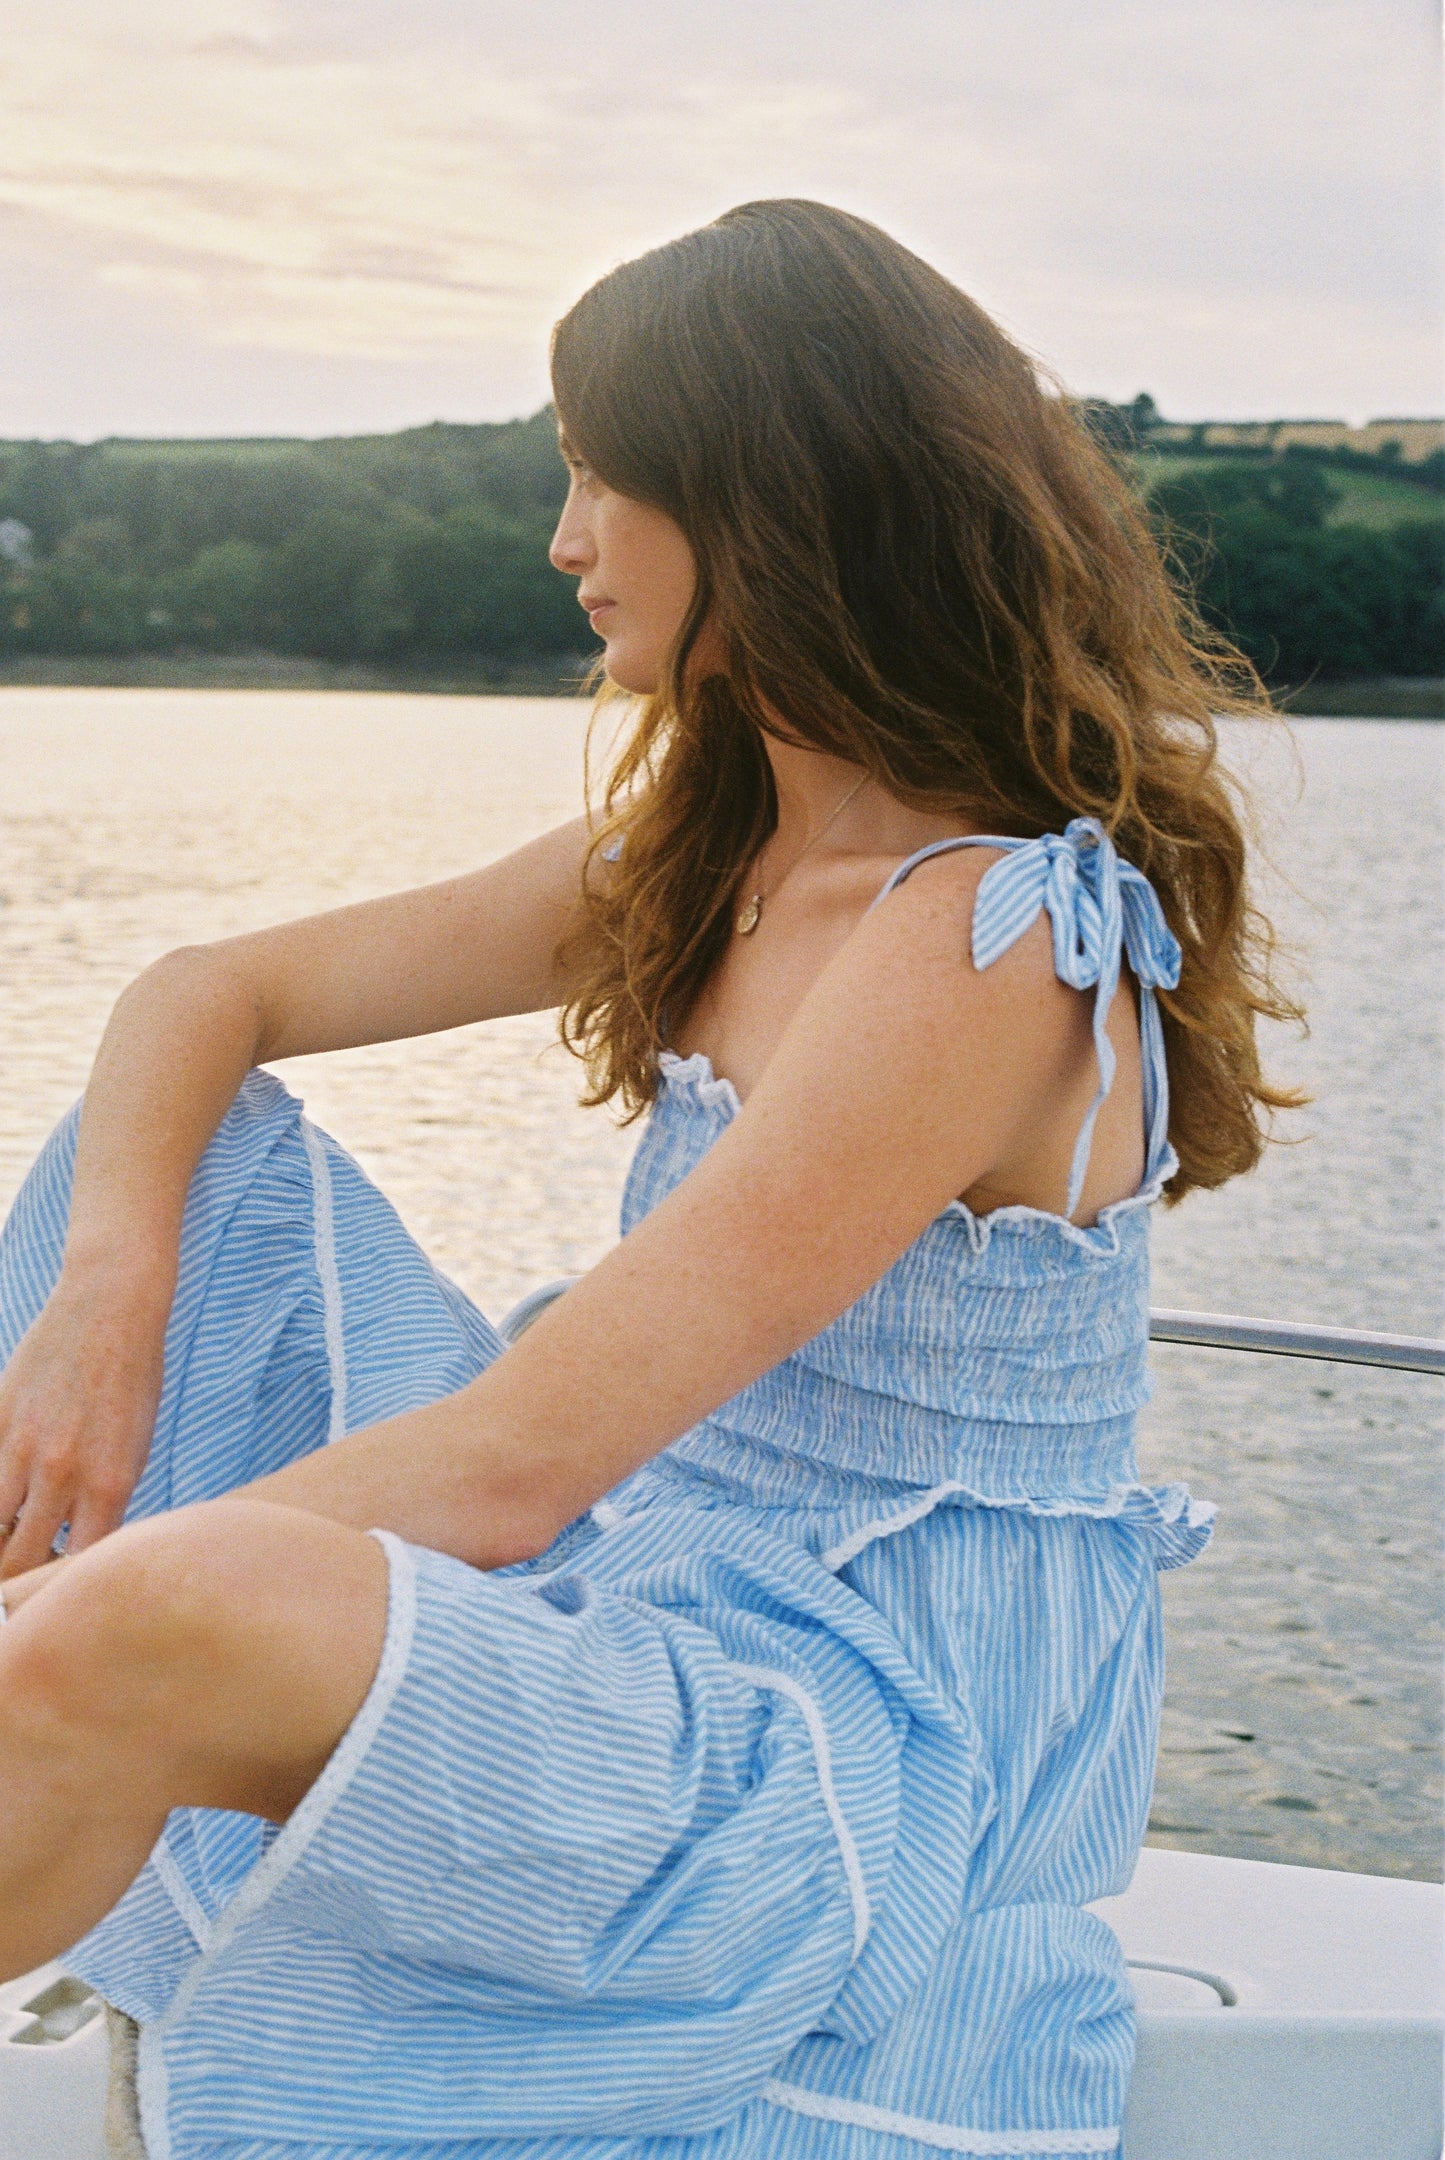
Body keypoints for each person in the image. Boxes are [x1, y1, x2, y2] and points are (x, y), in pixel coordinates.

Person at [0, 200, 1298, 2159]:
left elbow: (520, 1461)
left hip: (837, 1767)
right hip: (637, 1597)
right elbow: (209, 992)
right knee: (177, 1160)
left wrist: (110, 1595)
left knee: (120, 1637)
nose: (563, 536)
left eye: (603, 476)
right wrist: (107, 1302)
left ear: (763, 502)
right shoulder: (703, 861)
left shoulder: (993, 935)